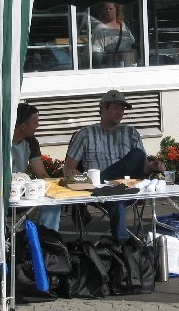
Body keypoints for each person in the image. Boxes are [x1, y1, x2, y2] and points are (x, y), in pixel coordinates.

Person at [63, 89, 165, 242]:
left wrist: (153, 167)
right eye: (116, 108)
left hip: (126, 186)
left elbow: (143, 167)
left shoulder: (131, 133)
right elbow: (69, 168)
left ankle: (121, 244)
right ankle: (124, 245)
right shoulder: (86, 134)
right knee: (117, 195)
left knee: (136, 157)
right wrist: (84, 183)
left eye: (122, 109)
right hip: (99, 186)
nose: (120, 113)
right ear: (103, 108)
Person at [0, 102, 62, 231]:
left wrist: (54, 189)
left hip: (19, 191)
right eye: (35, 122)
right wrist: (9, 194)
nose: (38, 125)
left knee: (53, 202)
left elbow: (41, 174)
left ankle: (47, 238)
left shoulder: (31, 142)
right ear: (23, 126)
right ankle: (0, 242)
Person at [91, 2, 136, 68]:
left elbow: (131, 43)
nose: (108, 11)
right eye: (106, 9)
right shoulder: (100, 29)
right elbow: (97, 52)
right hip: (111, 67)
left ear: (117, 9)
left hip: (127, 65)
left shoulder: (123, 25)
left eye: (110, 8)